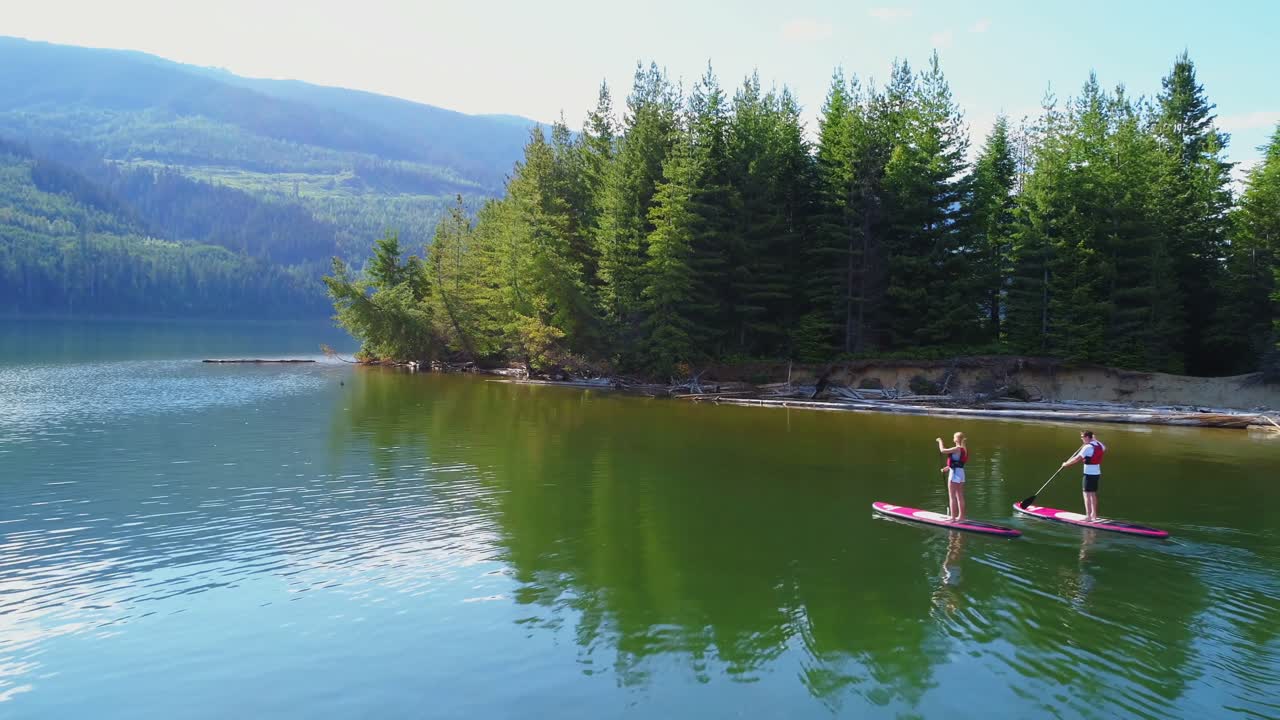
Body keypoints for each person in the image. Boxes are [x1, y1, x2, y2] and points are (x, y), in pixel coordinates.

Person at [1061, 430, 1105, 521]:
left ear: (1087, 437)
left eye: (1082, 437)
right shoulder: (1100, 445)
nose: (1081, 439)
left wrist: (1066, 464)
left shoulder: (1087, 447)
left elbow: (1077, 459)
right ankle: (1094, 515)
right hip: (1097, 473)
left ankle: (1088, 516)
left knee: (1086, 494)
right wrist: (1095, 440)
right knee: (1093, 494)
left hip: (1089, 474)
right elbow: (1103, 448)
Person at [935, 432, 968, 521]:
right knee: (960, 496)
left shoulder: (956, 448)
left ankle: (953, 517)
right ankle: (961, 517)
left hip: (954, 474)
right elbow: (958, 463)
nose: (953, 438)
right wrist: (947, 468)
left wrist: (939, 441)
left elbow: (942, 450)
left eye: (954, 437)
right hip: (961, 474)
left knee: (952, 496)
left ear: (956, 439)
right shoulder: (963, 449)